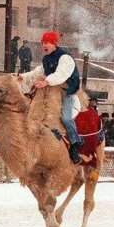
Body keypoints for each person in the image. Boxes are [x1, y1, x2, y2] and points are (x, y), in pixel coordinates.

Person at [20, 31, 83, 163]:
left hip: (67, 91)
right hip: (50, 90)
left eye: (47, 42)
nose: (44, 45)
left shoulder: (65, 58)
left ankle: (75, 144)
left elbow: (61, 74)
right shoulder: (46, 59)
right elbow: (38, 71)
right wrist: (23, 77)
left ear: (54, 44)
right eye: (43, 43)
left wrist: (46, 82)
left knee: (66, 118)